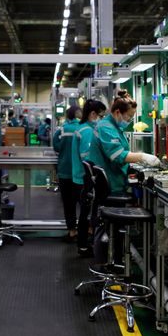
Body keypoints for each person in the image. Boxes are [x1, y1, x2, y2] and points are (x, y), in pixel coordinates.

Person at [89, 90, 161, 197]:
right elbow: (118, 155)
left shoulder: (115, 127)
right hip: (110, 186)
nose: (130, 120)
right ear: (118, 112)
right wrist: (143, 157)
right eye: (129, 116)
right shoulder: (105, 127)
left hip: (115, 181)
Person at [71, 99, 107, 256]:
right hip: (86, 177)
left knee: (86, 212)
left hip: (83, 176)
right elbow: (88, 159)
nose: (102, 118)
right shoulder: (87, 131)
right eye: (101, 115)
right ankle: (84, 246)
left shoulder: (85, 128)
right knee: (86, 213)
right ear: (93, 114)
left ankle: (85, 245)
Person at [53, 105, 82, 242]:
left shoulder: (62, 129)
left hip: (65, 171)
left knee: (68, 203)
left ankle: (72, 231)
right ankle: (87, 231)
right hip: (81, 172)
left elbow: (56, 146)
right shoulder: (84, 128)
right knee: (83, 203)